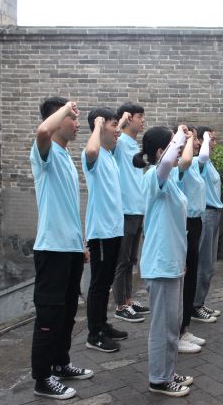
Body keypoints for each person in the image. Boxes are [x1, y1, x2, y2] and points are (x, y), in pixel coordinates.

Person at [30, 97, 93, 400]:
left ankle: (60, 363)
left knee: (67, 314)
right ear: (56, 120)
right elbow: (42, 132)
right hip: (51, 250)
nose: (77, 123)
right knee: (49, 317)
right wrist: (65, 107)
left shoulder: (66, 155)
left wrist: (80, 243)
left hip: (69, 250)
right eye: (72, 118)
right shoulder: (44, 152)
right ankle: (42, 379)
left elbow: (67, 207)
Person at [134, 126, 194, 397]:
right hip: (161, 266)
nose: (179, 150)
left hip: (172, 264)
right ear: (161, 151)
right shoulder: (153, 177)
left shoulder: (168, 180)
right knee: (163, 328)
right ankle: (159, 379)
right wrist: (180, 134)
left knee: (173, 324)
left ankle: (167, 371)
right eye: (173, 145)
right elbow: (170, 160)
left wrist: (182, 261)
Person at [82, 108, 127, 353]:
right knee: (99, 285)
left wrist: (119, 122)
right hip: (100, 231)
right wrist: (98, 124)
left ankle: (103, 324)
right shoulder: (93, 154)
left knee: (106, 281)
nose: (117, 130)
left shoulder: (109, 155)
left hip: (114, 230)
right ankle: (94, 334)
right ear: (99, 127)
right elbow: (91, 150)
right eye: (112, 125)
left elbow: (118, 133)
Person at [112, 102, 149, 323]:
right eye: (139, 116)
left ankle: (128, 299)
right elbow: (107, 144)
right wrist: (120, 123)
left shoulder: (134, 145)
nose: (143, 120)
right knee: (122, 260)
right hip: (125, 210)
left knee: (131, 259)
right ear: (128, 118)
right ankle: (120, 305)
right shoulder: (119, 142)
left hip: (138, 209)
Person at [176, 125, 208, 353]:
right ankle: (177, 332)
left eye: (196, 139)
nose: (196, 143)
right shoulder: (180, 165)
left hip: (195, 223)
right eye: (193, 139)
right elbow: (189, 158)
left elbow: (200, 157)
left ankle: (184, 328)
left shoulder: (195, 165)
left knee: (191, 279)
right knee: (184, 281)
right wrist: (185, 137)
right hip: (185, 223)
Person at [192, 126, 222, 323]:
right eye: (212, 139)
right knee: (203, 263)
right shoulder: (198, 162)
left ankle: (200, 302)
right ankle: (194, 306)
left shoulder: (208, 163)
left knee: (209, 265)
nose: (214, 143)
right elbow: (201, 156)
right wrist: (204, 136)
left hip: (214, 215)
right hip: (206, 214)